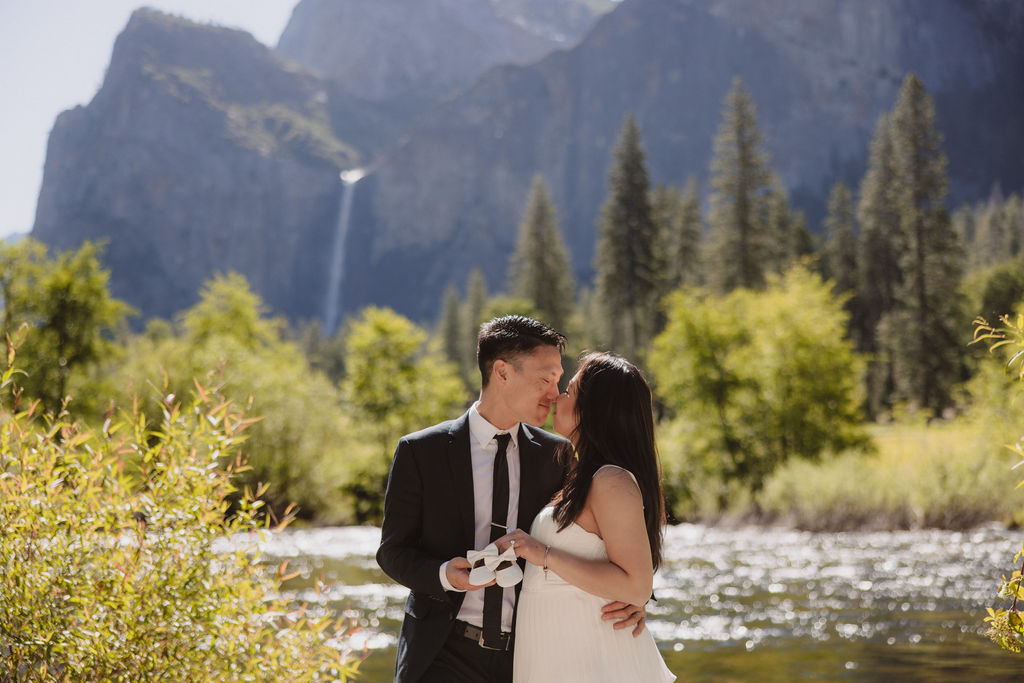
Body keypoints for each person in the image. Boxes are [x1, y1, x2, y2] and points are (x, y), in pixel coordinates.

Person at [376, 316, 647, 683]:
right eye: (545, 379)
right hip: (441, 652)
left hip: (528, 655)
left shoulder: (559, 454)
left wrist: (637, 598)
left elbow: (601, 532)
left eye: (558, 381)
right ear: (502, 373)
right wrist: (445, 576)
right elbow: (392, 552)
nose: (554, 393)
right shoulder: (421, 451)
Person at [496, 352, 675, 682]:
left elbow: (636, 586)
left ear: (594, 409)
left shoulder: (611, 481)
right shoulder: (579, 475)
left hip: (594, 657)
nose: (558, 395)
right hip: (560, 652)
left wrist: (543, 554)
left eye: (571, 390)